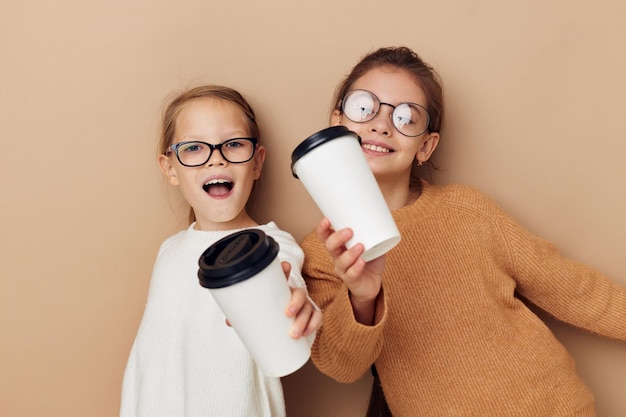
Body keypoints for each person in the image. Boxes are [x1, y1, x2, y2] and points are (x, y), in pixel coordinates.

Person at [300, 46, 626, 416]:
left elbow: (573, 289)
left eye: (406, 117)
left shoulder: (468, 209)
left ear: (426, 146)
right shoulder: (321, 252)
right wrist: (362, 296)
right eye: (364, 108)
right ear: (336, 121)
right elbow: (343, 366)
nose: (381, 125)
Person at [120, 85, 322, 417]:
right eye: (194, 148)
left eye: (233, 144)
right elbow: (149, 363)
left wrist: (293, 305)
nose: (216, 157)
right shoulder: (170, 251)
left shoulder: (274, 245)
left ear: (256, 164)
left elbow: (290, 290)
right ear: (170, 167)